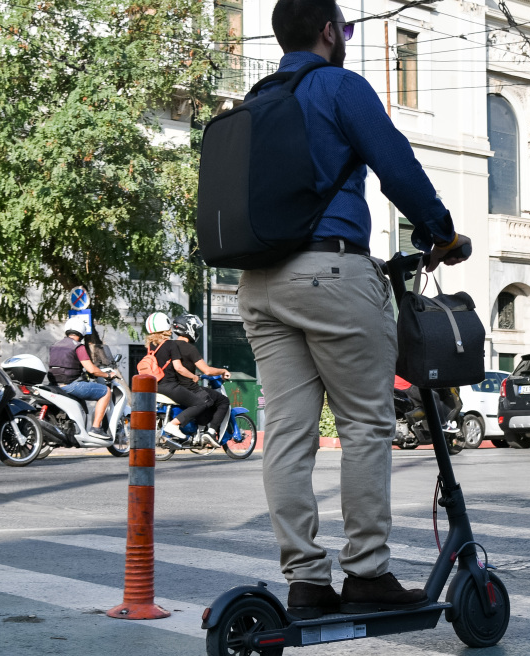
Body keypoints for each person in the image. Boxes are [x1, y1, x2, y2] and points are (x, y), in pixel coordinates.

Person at [237, 0, 472, 619]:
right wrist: (441, 233)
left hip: (259, 283)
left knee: (287, 436)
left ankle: (306, 582)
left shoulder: (255, 100)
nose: (343, 37)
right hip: (332, 273)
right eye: (342, 28)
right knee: (365, 424)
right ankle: (367, 571)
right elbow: (396, 165)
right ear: (327, 32)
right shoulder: (340, 86)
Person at [155, 314, 231, 446]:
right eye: (195, 328)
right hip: (189, 387)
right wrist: (223, 371)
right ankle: (211, 432)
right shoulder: (190, 348)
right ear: (189, 329)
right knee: (222, 400)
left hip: (171, 387)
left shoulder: (168, 345)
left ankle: (199, 429)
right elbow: (206, 370)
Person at [48, 315, 118, 439]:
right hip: (71, 385)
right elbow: (91, 369)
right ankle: (96, 428)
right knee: (105, 392)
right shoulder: (77, 346)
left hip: (54, 385)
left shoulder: (55, 345)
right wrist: (107, 374)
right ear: (81, 332)